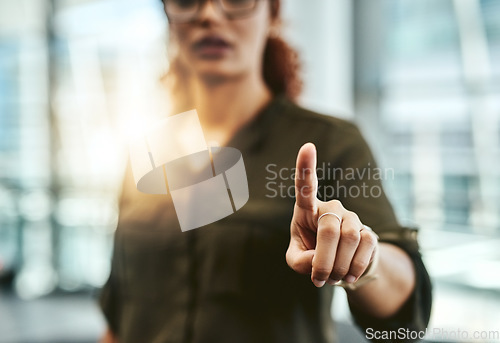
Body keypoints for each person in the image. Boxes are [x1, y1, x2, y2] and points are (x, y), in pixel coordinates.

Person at [99, 0, 432, 342]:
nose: (209, 15)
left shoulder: (330, 143)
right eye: (187, 0)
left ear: (272, 14)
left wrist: (365, 260)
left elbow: (405, 306)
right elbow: (119, 315)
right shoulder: (147, 149)